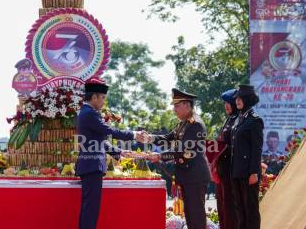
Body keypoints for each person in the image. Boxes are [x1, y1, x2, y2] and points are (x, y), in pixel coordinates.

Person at [141, 88, 212, 229]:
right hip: (187, 175)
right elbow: (168, 138)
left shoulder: (195, 124)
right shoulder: (183, 123)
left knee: (196, 216)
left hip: (195, 176)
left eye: (177, 106)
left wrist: (160, 156)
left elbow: (183, 150)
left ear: (187, 105)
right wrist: (150, 138)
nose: (174, 109)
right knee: (190, 215)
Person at [76, 78, 139, 229]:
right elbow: (109, 131)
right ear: (94, 97)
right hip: (92, 166)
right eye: (102, 97)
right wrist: (134, 134)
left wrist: (120, 151)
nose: (104, 101)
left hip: (89, 166)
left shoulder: (86, 113)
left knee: (89, 209)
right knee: (90, 210)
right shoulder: (89, 113)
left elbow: (99, 141)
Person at [230, 84, 264, 229]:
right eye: (236, 98)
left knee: (251, 210)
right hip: (236, 171)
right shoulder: (238, 120)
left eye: (241, 98)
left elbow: (257, 149)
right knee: (240, 210)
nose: (237, 100)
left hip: (249, 173)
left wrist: (254, 172)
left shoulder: (255, 120)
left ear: (248, 99)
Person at [215, 89, 238, 229]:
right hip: (222, 170)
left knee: (229, 207)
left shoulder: (238, 120)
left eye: (229, 103)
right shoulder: (229, 119)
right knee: (222, 205)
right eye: (225, 103)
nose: (227, 106)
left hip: (231, 170)